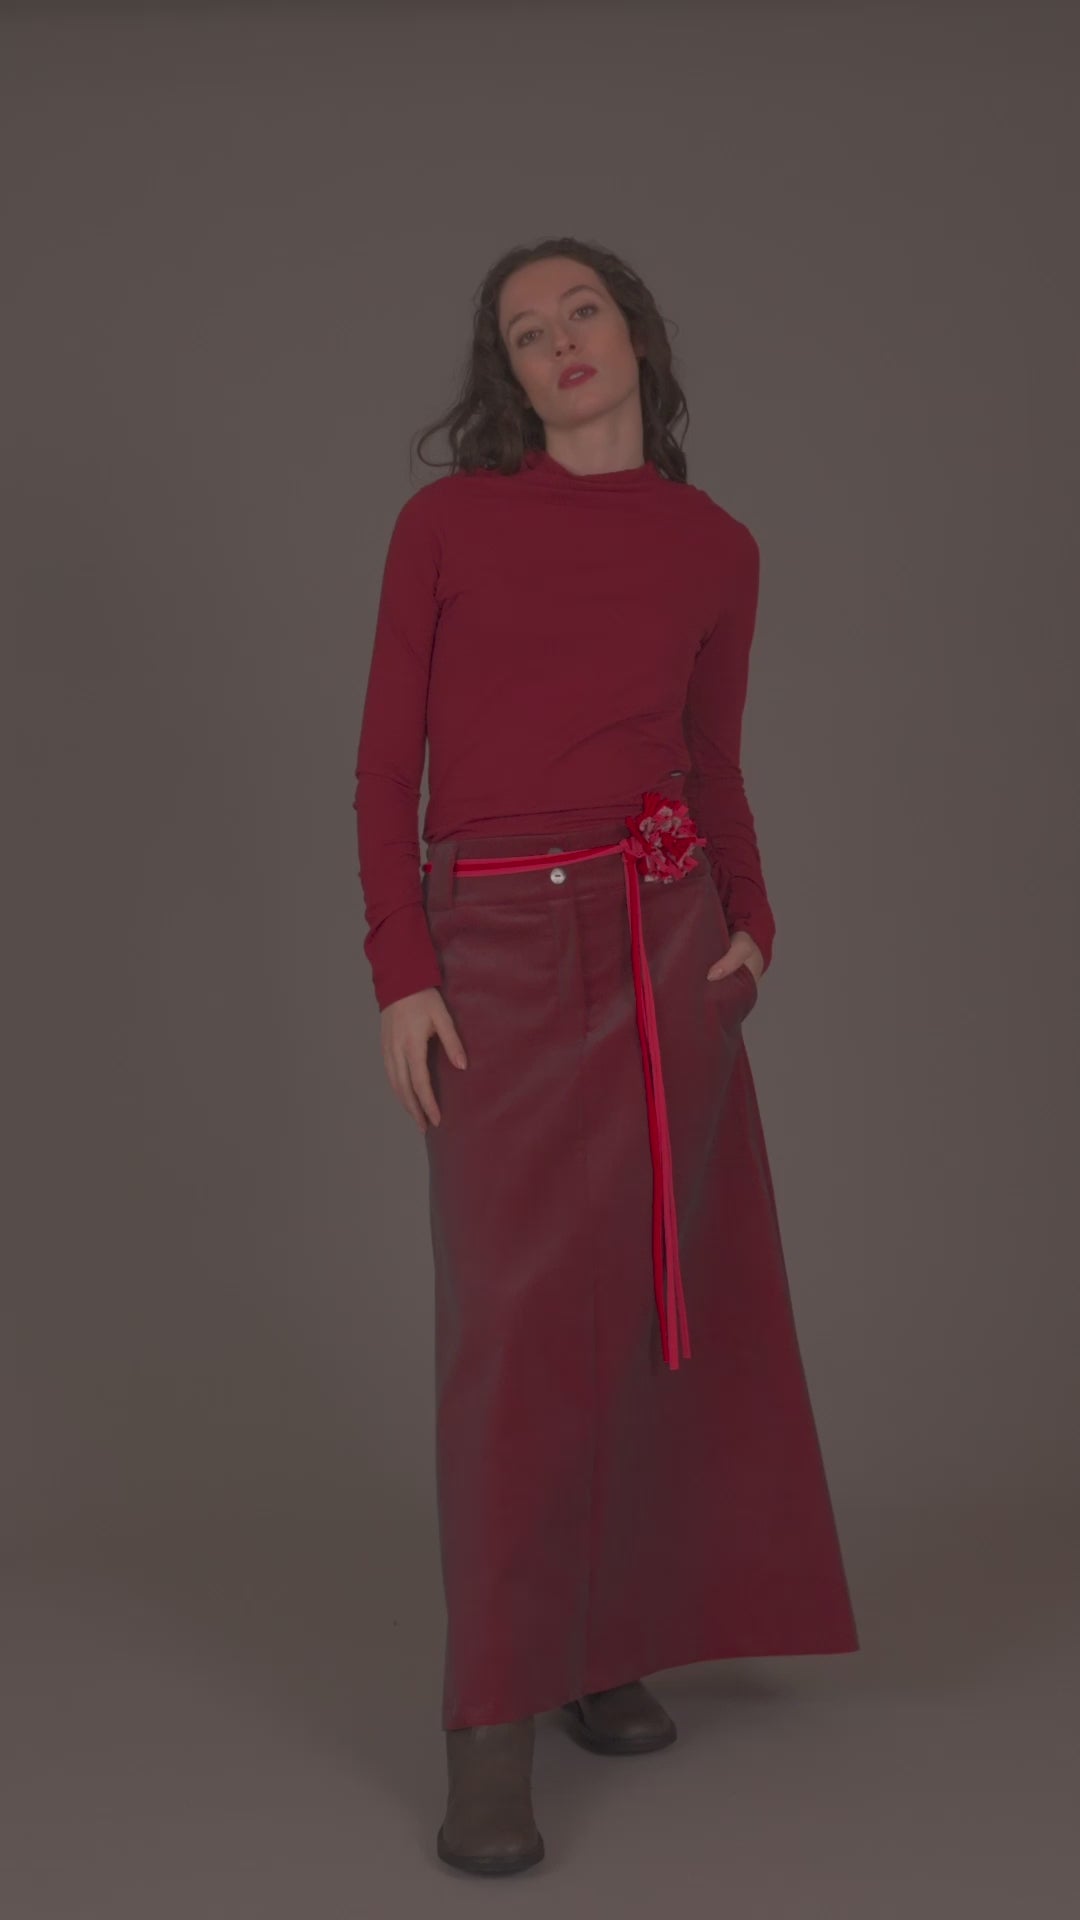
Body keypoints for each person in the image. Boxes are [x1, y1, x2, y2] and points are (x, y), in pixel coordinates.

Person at [352, 238, 859, 1877]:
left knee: (652, 1305)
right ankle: (490, 1716)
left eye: (582, 311)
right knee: (511, 1334)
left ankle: (603, 1645)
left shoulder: (718, 549)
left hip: (660, 945)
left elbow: (715, 759)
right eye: (527, 331)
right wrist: (403, 971)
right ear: (507, 374)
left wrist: (755, 923)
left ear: (635, 333)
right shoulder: (447, 526)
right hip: (493, 952)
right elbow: (384, 765)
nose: (561, 341)